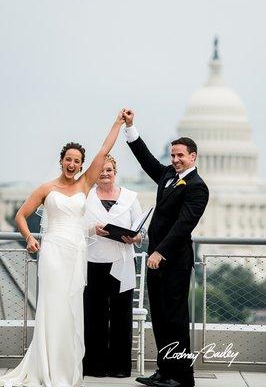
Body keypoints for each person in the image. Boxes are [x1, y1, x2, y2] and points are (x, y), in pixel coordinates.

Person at [0, 111, 125, 387]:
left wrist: (118, 123)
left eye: (77, 161)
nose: (72, 164)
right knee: (52, 307)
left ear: (81, 165)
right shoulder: (46, 188)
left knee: (70, 310)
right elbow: (21, 215)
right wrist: (29, 239)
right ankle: (45, 367)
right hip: (53, 252)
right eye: (68, 159)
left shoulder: (84, 183)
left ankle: (65, 368)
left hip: (76, 253)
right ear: (61, 161)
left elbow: (104, 150)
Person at [123, 109, 209, 387]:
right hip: (155, 259)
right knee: (159, 318)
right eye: (172, 155)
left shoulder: (197, 187)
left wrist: (161, 251)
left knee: (175, 319)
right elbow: (147, 160)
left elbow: (183, 225)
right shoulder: (167, 176)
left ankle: (183, 377)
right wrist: (131, 128)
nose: (175, 159)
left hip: (173, 260)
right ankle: (165, 371)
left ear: (192, 156)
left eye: (180, 155)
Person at [83, 154, 143, 378]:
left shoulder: (130, 197)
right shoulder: (86, 196)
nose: (105, 174)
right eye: (101, 170)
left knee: (121, 314)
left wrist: (134, 238)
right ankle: (94, 366)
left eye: (108, 170)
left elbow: (141, 229)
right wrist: (92, 229)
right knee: (94, 314)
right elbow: (78, 225)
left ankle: (119, 366)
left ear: (115, 172)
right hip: (93, 260)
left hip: (122, 261)